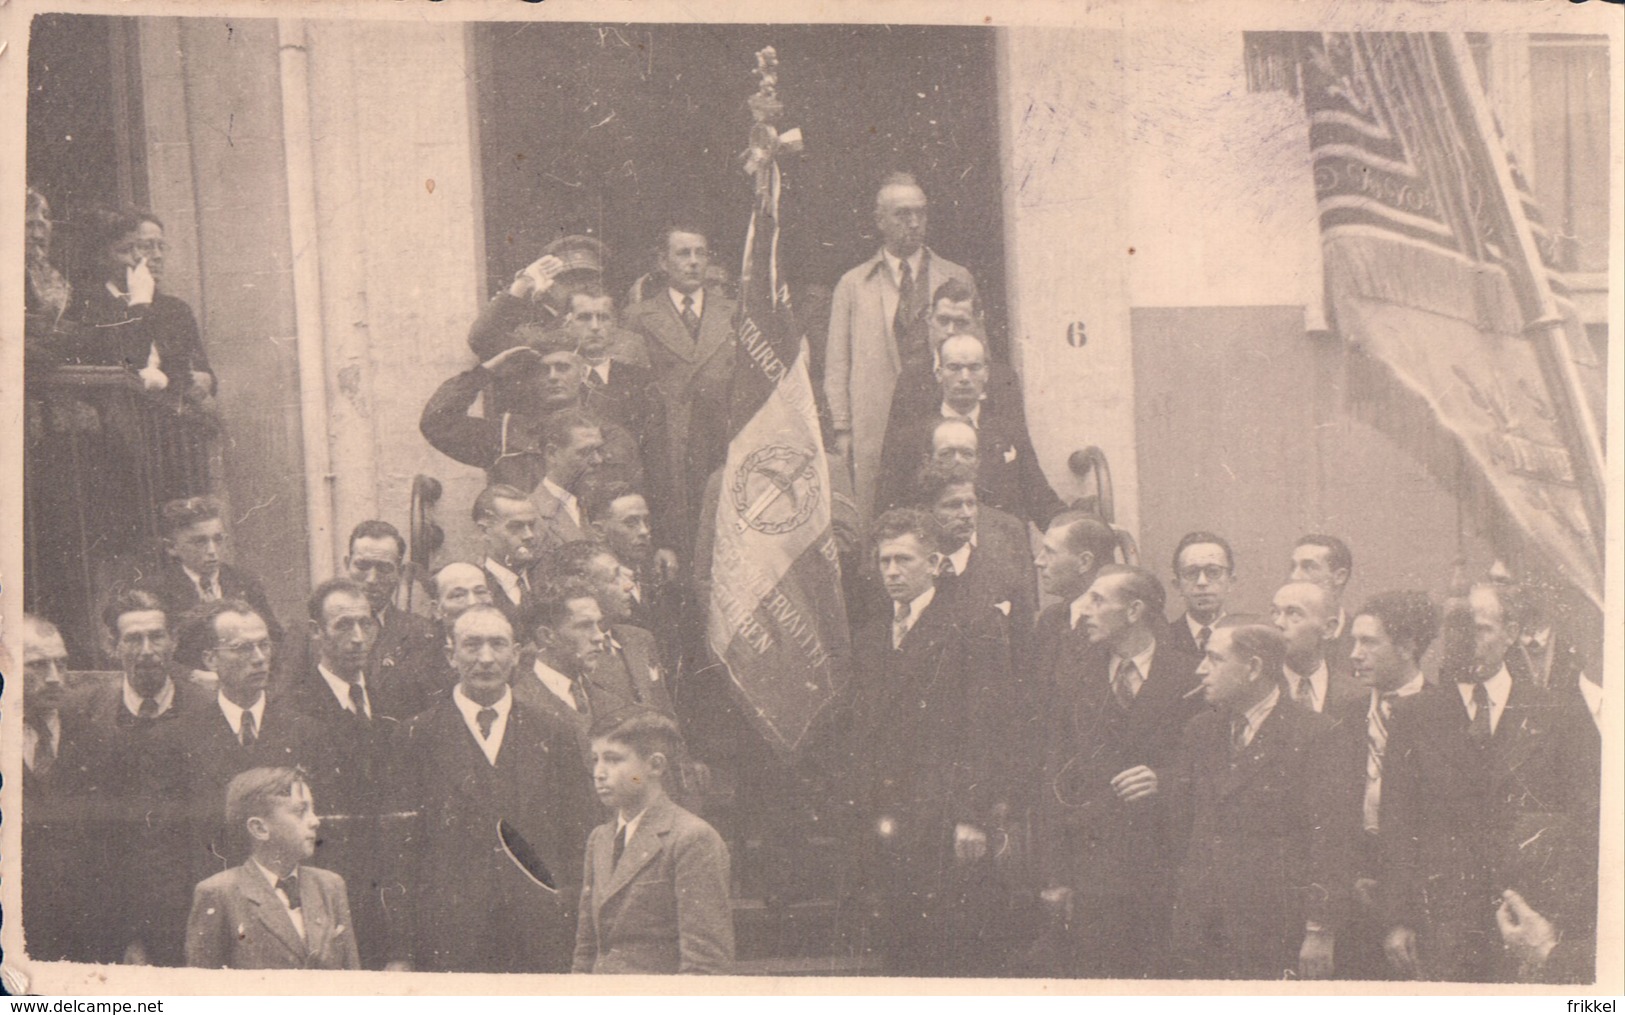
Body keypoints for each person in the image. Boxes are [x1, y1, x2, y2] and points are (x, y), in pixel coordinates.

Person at [1379, 582, 1598, 982]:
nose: (1464, 643)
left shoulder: (1557, 712)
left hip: (1528, 916)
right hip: (1444, 922)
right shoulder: (1414, 716)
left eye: (1479, 630)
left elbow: (1588, 819)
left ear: (1511, 632)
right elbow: (1397, 823)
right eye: (1456, 631)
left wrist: (1564, 921)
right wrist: (1398, 919)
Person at [837, 508, 1021, 976]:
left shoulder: (971, 625)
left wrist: (972, 816)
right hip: (886, 814)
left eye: (904, 560)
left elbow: (988, 729)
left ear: (935, 563)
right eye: (884, 562)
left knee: (949, 946)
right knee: (898, 945)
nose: (893, 572)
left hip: (943, 817)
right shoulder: (871, 635)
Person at [388, 605, 596, 973]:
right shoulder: (415, 735)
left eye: (498, 644)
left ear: (516, 654)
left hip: (539, 935)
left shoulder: (553, 731)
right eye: (472, 645)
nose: (486, 658)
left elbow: (578, 834)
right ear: (451, 655)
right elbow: (399, 851)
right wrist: (400, 950)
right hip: (448, 936)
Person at [1034, 565, 1202, 979]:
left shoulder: (1191, 675)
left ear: (1134, 611)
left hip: (1168, 865)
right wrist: (1056, 874)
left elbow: (1212, 767)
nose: (1084, 611)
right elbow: (1054, 773)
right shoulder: (1074, 676)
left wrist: (1165, 780)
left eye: (1097, 600)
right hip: (1095, 869)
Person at [1167, 617, 1353, 980]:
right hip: (1202, 927)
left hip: (1275, 930)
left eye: (1215, 659)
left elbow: (1332, 842)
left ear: (1253, 668)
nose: (1201, 670)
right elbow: (1185, 828)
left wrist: (1320, 930)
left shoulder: (1317, 734)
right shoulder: (1201, 731)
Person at [71, 591, 216, 965]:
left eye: (157, 636)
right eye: (134, 639)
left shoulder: (210, 712)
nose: (148, 649)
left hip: (194, 911)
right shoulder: (85, 716)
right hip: (113, 916)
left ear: (175, 641)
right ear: (112, 646)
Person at [825, 173, 977, 521]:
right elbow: (837, 365)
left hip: (941, 418)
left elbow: (976, 351)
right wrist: (843, 429)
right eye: (902, 214)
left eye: (920, 214)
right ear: (879, 221)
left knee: (946, 505)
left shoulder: (956, 278)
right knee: (880, 515)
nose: (913, 223)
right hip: (875, 426)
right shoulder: (853, 285)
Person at [572, 709, 735, 974]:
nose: (599, 773)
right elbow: (586, 950)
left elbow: (706, 966)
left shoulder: (692, 839)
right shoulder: (599, 839)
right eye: (595, 760)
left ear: (655, 766)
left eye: (613, 759)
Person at [1338, 590, 1438, 980]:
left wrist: (1403, 912)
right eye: (1353, 641)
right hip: (1352, 898)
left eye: (1369, 642)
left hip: (1413, 904)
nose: (1355, 653)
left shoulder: (1445, 714)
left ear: (1408, 646)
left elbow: (1439, 831)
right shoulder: (1345, 716)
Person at [421, 325, 641, 495]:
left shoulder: (609, 435)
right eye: (543, 370)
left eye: (563, 368)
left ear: (583, 374)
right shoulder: (508, 432)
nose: (553, 376)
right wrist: (486, 372)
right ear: (532, 379)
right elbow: (436, 423)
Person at [624, 224, 739, 550]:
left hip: (721, 439)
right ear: (663, 262)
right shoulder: (638, 317)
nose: (693, 262)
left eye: (700, 253)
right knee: (675, 537)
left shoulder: (734, 313)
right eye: (683, 253)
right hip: (666, 445)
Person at [878, 332, 1061, 527]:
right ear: (939, 374)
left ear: (986, 373)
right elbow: (892, 508)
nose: (965, 377)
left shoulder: (1006, 430)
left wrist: (1074, 529)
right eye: (954, 368)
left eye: (974, 368)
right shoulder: (914, 437)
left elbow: (1038, 494)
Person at [184, 766, 360, 970]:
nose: (315, 821)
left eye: (313, 810)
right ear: (259, 828)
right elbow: (201, 989)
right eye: (300, 811)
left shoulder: (330, 886)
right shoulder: (219, 892)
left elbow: (352, 978)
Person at [142, 496, 284, 671]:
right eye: (200, 542)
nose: (212, 551)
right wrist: (192, 676)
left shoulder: (244, 582)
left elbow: (275, 639)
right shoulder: (155, 592)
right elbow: (153, 653)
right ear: (172, 547)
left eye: (218, 539)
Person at [549, 540, 677, 718]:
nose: (628, 586)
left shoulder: (640, 638)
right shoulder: (561, 654)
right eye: (614, 578)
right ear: (583, 589)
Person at [912, 461, 1037, 639]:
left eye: (971, 503)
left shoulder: (1002, 568)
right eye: (953, 505)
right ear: (924, 511)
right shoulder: (910, 567)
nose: (966, 514)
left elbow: (1023, 636)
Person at [511, 576, 612, 754]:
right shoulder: (519, 705)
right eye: (584, 626)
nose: (599, 637)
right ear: (547, 636)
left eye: (599, 624)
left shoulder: (608, 698)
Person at [1271, 580, 1364, 715]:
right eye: (1274, 612)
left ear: (1328, 628)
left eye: (1294, 614)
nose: (1278, 623)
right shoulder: (1257, 691)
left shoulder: (1358, 696)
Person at [472, 483, 546, 627]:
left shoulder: (549, 577)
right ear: (485, 531)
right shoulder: (475, 589)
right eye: (516, 527)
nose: (529, 535)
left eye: (531, 525)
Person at [1164, 530, 1236, 658]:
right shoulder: (1161, 641)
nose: (1202, 582)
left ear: (1230, 582)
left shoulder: (1245, 640)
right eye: (1191, 573)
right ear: (1178, 585)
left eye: (1213, 572)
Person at [1289, 534, 1356, 666]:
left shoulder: (1359, 639)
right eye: (1293, 567)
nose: (1294, 577)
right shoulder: (1273, 638)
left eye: (1308, 567)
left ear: (1339, 577)